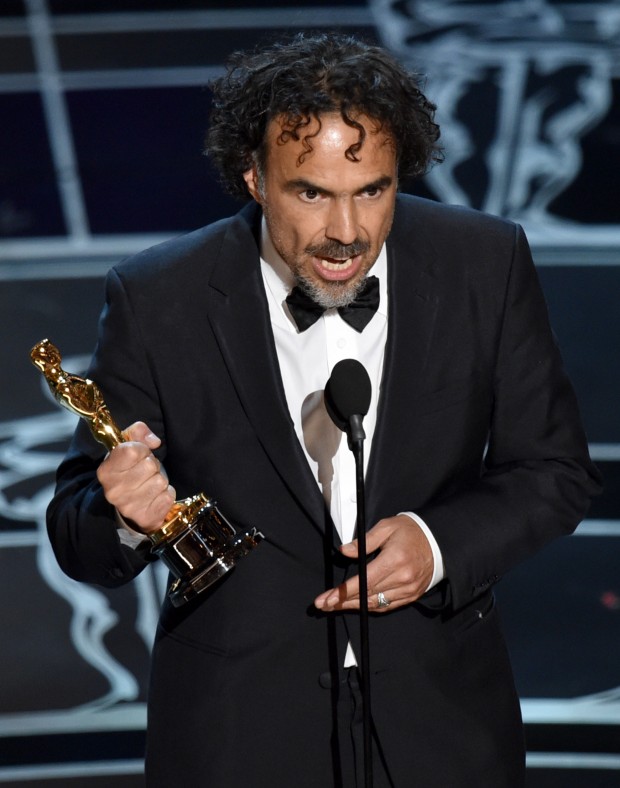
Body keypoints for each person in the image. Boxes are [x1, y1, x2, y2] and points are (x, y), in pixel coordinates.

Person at [46, 33, 601, 787]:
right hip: (237, 733)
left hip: (442, 723)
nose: (348, 232)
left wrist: (438, 544)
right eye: (311, 193)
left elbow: (553, 472)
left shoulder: (484, 263)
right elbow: (79, 527)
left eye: (371, 190)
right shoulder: (160, 299)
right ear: (254, 178)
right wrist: (123, 515)